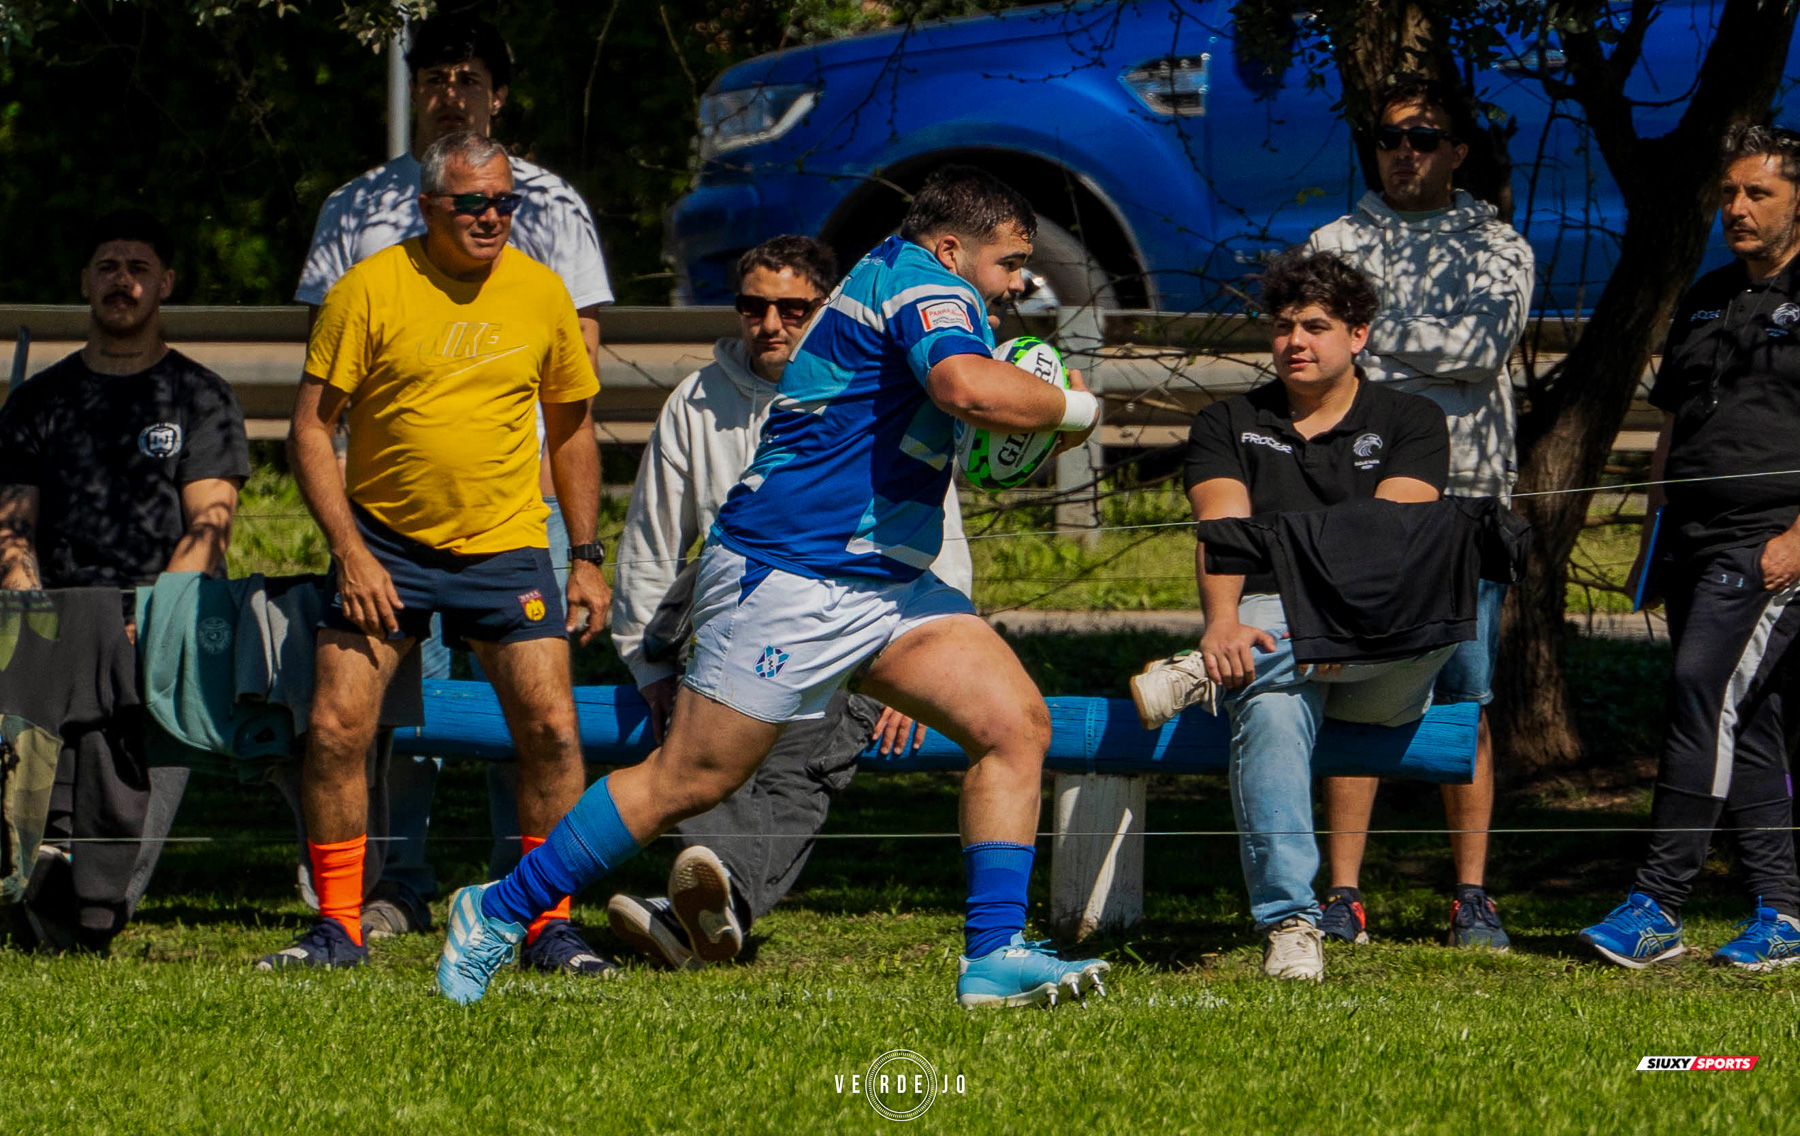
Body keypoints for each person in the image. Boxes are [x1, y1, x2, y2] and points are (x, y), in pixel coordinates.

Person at [435, 166, 1110, 1008]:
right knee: (689, 780)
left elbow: (954, 416)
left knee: (1014, 725)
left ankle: (994, 954)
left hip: (886, 584)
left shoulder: (905, 282)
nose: (1018, 281)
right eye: (1009, 261)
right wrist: (1075, 410)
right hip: (788, 576)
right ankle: (497, 910)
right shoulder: (930, 287)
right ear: (951, 248)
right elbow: (964, 388)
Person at [291, 11, 612, 935]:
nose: (491, 219)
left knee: (550, 731)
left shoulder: (542, 284)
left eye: (503, 206)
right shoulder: (367, 281)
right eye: (471, 206)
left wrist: (584, 552)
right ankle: (346, 923)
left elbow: (575, 425)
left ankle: (543, 926)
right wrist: (348, 549)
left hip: (511, 538)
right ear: (428, 206)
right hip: (385, 537)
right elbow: (311, 429)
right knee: (342, 727)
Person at [604, 235, 969, 966]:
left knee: (802, 747)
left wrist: (929, 670)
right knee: (727, 732)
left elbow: (943, 540)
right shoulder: (697, 403)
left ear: (827, 310)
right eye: (754, 306)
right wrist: (648, 669)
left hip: (853, 623)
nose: (770, 324)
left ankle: (709, 899)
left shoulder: (877, 392)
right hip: (727, 627)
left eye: (793, 309)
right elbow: (650, 542)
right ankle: (708, 908)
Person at [1158, 249, 1454, 982]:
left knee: (1462, 578)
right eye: (1283, 326)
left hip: (1384, 644)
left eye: (1316, 326)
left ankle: (1206, 674)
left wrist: (1322, 621)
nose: (1295, 341)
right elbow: (1224, 530)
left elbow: (1390, 544)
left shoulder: (1412, 420)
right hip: (1268, 629)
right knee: (1269, 708)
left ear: (1358, 335)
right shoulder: (1229, 422)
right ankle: (1293, 924)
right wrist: (1221, 625)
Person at [1303, 76, 1535, 949]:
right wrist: (1366, 338)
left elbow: (1479, 355)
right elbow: (1315, 358)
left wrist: (1363, 326)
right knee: (1349, 687)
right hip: (1354, 499)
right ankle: (1343, 891)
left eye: (1427, 137)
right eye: (1392, 137)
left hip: (1468, 501)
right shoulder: (1336, 238)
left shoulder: (1497, 244)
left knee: (1465, 697)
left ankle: (1472, 893)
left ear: (1458, 151)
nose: (1407, 151)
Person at [1578, 124, 1800, 971]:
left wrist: (1797, 540)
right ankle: (1783, 914)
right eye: (1729, 194)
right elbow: (1673, 424)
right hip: (1692, 539)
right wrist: (1652, 531)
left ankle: (1658, 902)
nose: (1737, 209)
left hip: (1771, 542)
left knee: (1700, 691)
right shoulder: (1707, 295)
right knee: (1750, 722)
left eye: (1758, 194)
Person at [0, 208, 249, 952]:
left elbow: (210, 525)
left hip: (160, 608)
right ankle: (39, 878)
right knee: (38, 667)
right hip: (56, 606)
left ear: (164, 284)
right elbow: (12, 524)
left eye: (138, 267)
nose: (123, 281)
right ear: (86, 281)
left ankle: (92, 904)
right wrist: (26, 602)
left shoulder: (198, 396)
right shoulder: (41, 401)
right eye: (108, 266)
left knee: (124, 704)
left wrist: (159, 616)